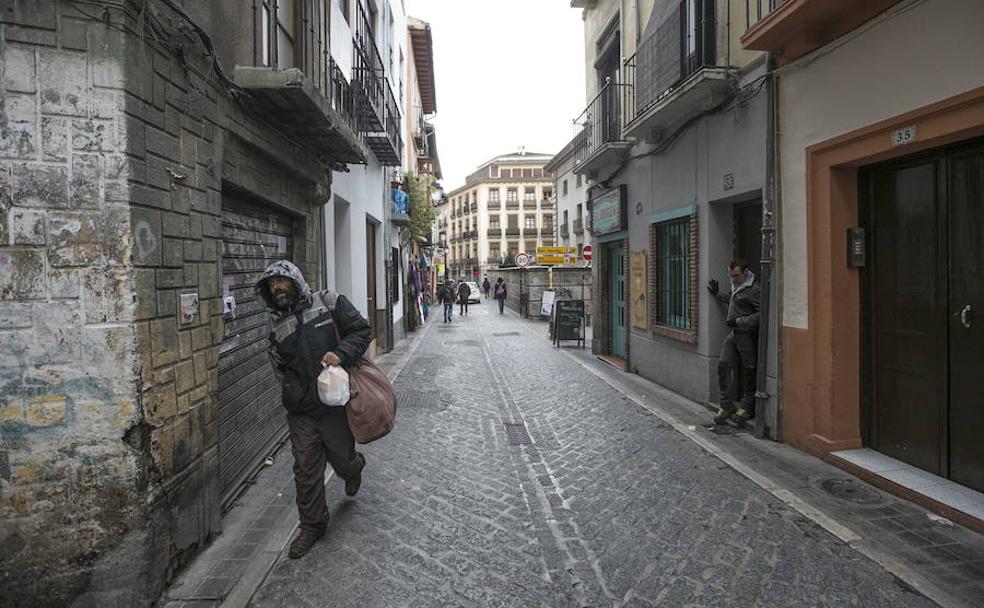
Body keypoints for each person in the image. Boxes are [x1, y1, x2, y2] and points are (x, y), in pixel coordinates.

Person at [255, 260, 371, 559]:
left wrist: (340, 354)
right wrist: (292, 392)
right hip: (302, 411)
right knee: (305, 469)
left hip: (333, 405)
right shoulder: (276, 326)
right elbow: (278, 368)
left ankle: (354, 468)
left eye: (281, 282)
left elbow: (361, 330)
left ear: (295, 280)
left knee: (342, 460)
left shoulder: (327, 302)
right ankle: (312, 525)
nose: (276, 288)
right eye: (271, 285)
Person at [707, 259, 761, 426]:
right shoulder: (737, 285)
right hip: (734, 334)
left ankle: (746, 407)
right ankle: (727, 405)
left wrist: (739, 322)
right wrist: (718, 294)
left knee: (749, 370)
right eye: (730, 276)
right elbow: (733, 300)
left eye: (736, 275)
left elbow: (761, 314)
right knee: (723, 364)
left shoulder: (754, 289)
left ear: (746, 272)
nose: (733, 279)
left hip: (746, 335)